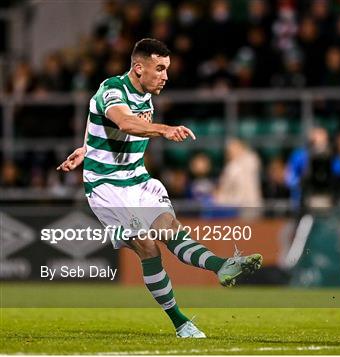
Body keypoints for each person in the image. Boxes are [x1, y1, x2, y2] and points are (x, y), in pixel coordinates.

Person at [56, 38, 262, 338]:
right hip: (107, 187)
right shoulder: (112, 89)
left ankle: (222, 266)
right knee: (148, 246)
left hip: (137, 179)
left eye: (167, 69)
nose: (165, 76)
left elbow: (111, 128)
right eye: (160, 69)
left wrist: (88, 149)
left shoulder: (146, 96)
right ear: (138, 68)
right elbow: (124, 123)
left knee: (171, 230)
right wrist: (164, 129)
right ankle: (181, 323)